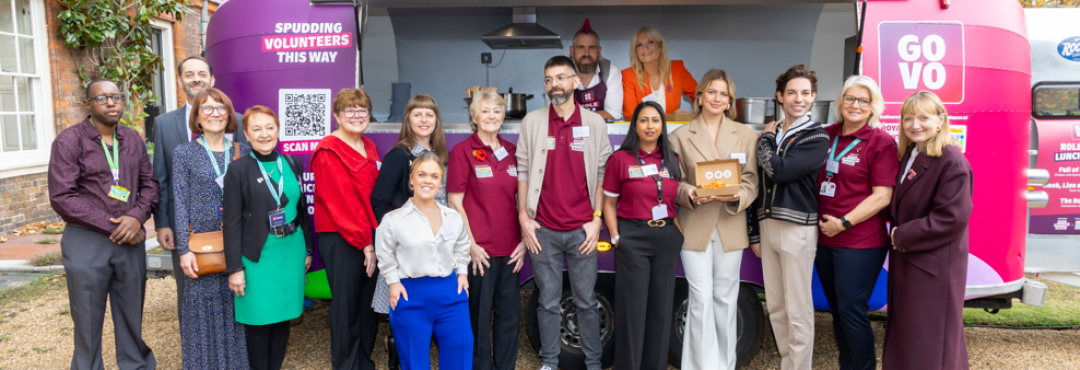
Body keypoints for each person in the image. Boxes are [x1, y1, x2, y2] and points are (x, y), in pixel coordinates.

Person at [48, 78, 159, 370]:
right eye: (102, 98)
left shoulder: (133, 138)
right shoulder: (69, 141)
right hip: (87, 242)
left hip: (130, 242)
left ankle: (135, 365)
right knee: (86, 320)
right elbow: (63, 197)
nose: (111, 103)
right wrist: (116, 225)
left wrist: (136, 218)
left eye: (116, 97)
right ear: (87, 104)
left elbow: (150, 185)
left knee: (131, 315)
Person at [517, 55, 613, 370]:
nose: (553, 85)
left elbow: (602, 175)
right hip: (542, 228)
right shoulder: (533, 122)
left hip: (581, 231)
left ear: (574, 82)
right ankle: (549, 362)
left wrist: (596, 219)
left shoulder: (594, 123)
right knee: (547, 300)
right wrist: (523, 218)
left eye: (560, 77)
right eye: (548, 79)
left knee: (586, 301)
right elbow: (523, 173)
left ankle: (594, 363)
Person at [668, 69, 760, 370]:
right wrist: (689, 192)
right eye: (712, 92)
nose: (717, 98)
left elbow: (751, 182)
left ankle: (724, 365)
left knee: (726, 298)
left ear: (730, 99)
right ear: (700, 96)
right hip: (695, 226)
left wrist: (738, 196)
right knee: (700, 299)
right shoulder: (679, 136)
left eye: (723, 94)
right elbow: (672, 182)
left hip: (730, 225)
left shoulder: (746, 135)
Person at [882, 91, 973, 370]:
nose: (914, 124)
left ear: (940, 120)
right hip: (913, 262)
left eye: (923, 117)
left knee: (931, 343)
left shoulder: (951, 160)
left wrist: (900, 236)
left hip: (933, 267)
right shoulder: (912, 152)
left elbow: (951, 218)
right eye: (908, 118)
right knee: (910, 337)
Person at [814, 76, 898, 370]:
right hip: (824, 240)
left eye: (864, 100)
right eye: (850, 98)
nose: (855, 105)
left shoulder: (880, 142)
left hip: (859, 242)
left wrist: (844, 223)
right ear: (840, 102)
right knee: (838, 310)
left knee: (852, 310)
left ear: (873, 106)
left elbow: (882, 197)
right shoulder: (825, 135)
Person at [153, 55, 246, 320]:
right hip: (188, 229)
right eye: (189, 74)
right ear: (180, 79)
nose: (196, 79)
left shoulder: (235, 120)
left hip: (233, 228)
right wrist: (162, 224)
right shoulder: (163, 123)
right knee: (191, 290)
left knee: (236, 294)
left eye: (202, 74)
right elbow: (161, 178)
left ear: (212, 79)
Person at [750, 64, 831, 370]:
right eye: (793, 92)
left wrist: (766, 141)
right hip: (768, 225)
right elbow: (759, 182)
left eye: (806, 93)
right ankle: (789, 364)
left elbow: (779, 172)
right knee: (776, 307)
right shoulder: (776, 132)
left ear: (813, 98)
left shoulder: (816, 136)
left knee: (797, 310)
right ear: (780, 96)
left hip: (797, 227)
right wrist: (755, 232)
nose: (800, 98)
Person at [223, 106, 314, 370]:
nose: (264, 134)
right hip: (257, 258)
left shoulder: (292, 163)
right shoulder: (238, 170)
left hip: (291, 253)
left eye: (270, 127)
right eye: (257, 129)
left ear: (278, 130)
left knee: (283, 318)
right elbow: (230, 223)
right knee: (260, 321)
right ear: (247, 136)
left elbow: (302, 212)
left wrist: (308, 250)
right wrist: (235, 268)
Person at [447, 91, 528, 370]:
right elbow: (455, 202)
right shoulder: (462, 152)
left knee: (509, 316)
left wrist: (524, 240)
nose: (492, 116)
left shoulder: (513, 151)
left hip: (511, 249)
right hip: (478, 250)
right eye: (485, 111)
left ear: (504, 116)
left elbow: (523, 200)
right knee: (479, 317)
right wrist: (470, 244)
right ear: (473, 116)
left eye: (497, 110)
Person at [601, 101, 685, 370]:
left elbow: (674, 197)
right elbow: (609, 203)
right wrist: (616, 237)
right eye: (644, 120)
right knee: (632, 311)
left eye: (656, 120)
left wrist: (677, 227)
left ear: (663, 126)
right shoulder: (620, 159)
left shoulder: (672, 159)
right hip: (633, 239)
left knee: (660, 311)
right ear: (635, 125)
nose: (650, 126)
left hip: (666, 240)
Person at [171, 87, 250, 369]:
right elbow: (178, 202)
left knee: (236, 311)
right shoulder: (184, 153)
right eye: (207, 108)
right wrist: (183, 249)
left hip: (237, 245)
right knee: (201, 315)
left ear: (228, 114)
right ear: (197, 116)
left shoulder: (244, 152)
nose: (214, 113)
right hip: (201, 248)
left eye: (220, 108)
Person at [376, 152, 474, 370]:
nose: (427, 180)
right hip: (411, 295)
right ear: (411, 179)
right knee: (415, 361)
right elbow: (384, 252)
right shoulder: (393, 220)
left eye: (434, 176)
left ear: (441, 180)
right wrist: (393, 282)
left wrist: (463, 273)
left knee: (461, 349)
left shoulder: (453, 217)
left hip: (451, 293)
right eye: (421, 174)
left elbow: (462, 246)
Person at [312, 89, 383, 370]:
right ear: (337, 115)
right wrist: (366, 243)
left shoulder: (370, 146)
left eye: (362, 110)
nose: (357, 116)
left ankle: (363, 360)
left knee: (367, 303)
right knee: (346, 304)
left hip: (368, 234)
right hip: (342, 236)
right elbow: (341, 202)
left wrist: (376, 238)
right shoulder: (328, 149)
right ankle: (346, 364)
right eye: (349, 111)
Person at [372, 94, 450, 223]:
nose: (424, 120)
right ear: (409, 120)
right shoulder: (398, 155)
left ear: (436, 120)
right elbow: (379, 202)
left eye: (429, 115)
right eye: (417, 115)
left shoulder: (444, 155)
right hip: (412, 236)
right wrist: (395, 234)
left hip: (443, 232)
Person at [542, 18, 624, 121]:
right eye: (581, 47)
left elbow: (614, 114)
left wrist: (576, 117)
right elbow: (554, 113)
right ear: (572, 51)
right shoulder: (558, 72)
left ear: (599, 52)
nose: (586, 53)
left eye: (592, 47)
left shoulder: (611, 71)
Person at [621, 27, 697, 120]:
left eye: (650, 42)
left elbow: (699, 94)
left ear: (660, 47)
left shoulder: (677, 68)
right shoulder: (628, 75)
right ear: (636, 52)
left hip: (673, 131)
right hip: (643, 132)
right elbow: (631, 115)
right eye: (639, 45)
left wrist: (699, 115)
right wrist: (669, 117)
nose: (645, 48)